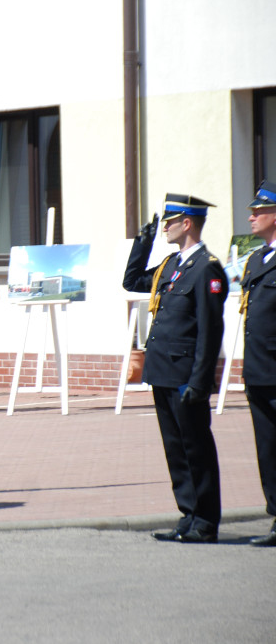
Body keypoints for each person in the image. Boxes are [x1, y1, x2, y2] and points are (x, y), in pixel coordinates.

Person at [122, 193, 228, 543]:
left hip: (186, 376)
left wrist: (201, 379)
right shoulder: (171, 265)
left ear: (187, 223)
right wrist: (143, 243)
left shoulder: (207, 268)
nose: (164, 226)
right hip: (162, 371)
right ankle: (188, 514)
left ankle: (205, 520)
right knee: (175, 448)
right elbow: (133, 281)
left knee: (195, 447)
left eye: (170, 221)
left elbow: (210, 330)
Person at [240, 180, 276, 547]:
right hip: (259, 371)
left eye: (260, 211)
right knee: (267, 448)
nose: (252, 216)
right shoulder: (255, 259)